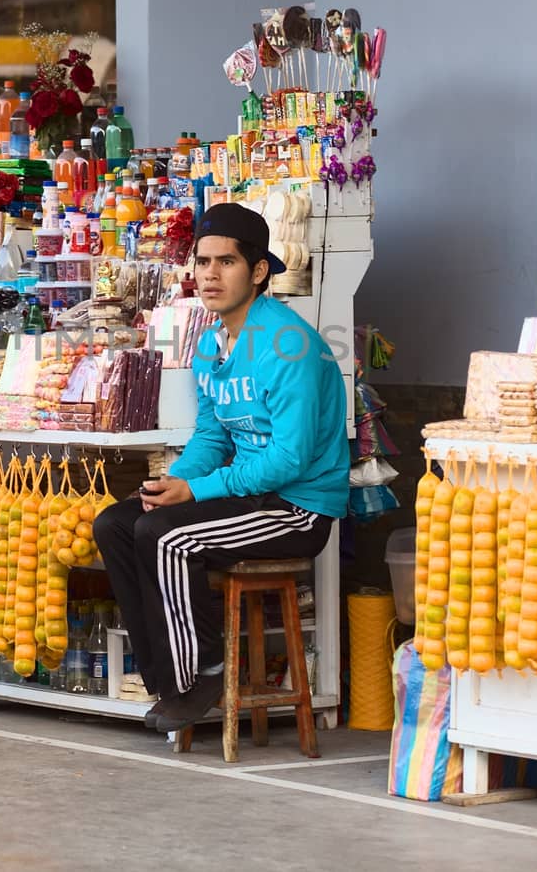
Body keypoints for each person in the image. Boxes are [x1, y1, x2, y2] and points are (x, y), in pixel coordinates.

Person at [93, 203, 349, 732]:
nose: (210, 274)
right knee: (117, 523)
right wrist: (178, 481)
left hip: (297, 507)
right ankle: (164, 676)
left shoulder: (287, 345)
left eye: (226, 262)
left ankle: (201, 672)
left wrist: (197, 492)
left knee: (167, 537)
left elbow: (288, 459)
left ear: (258, 272)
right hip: (248, 493)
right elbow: (212, 433)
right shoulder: (211, 343)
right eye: (203, 261)